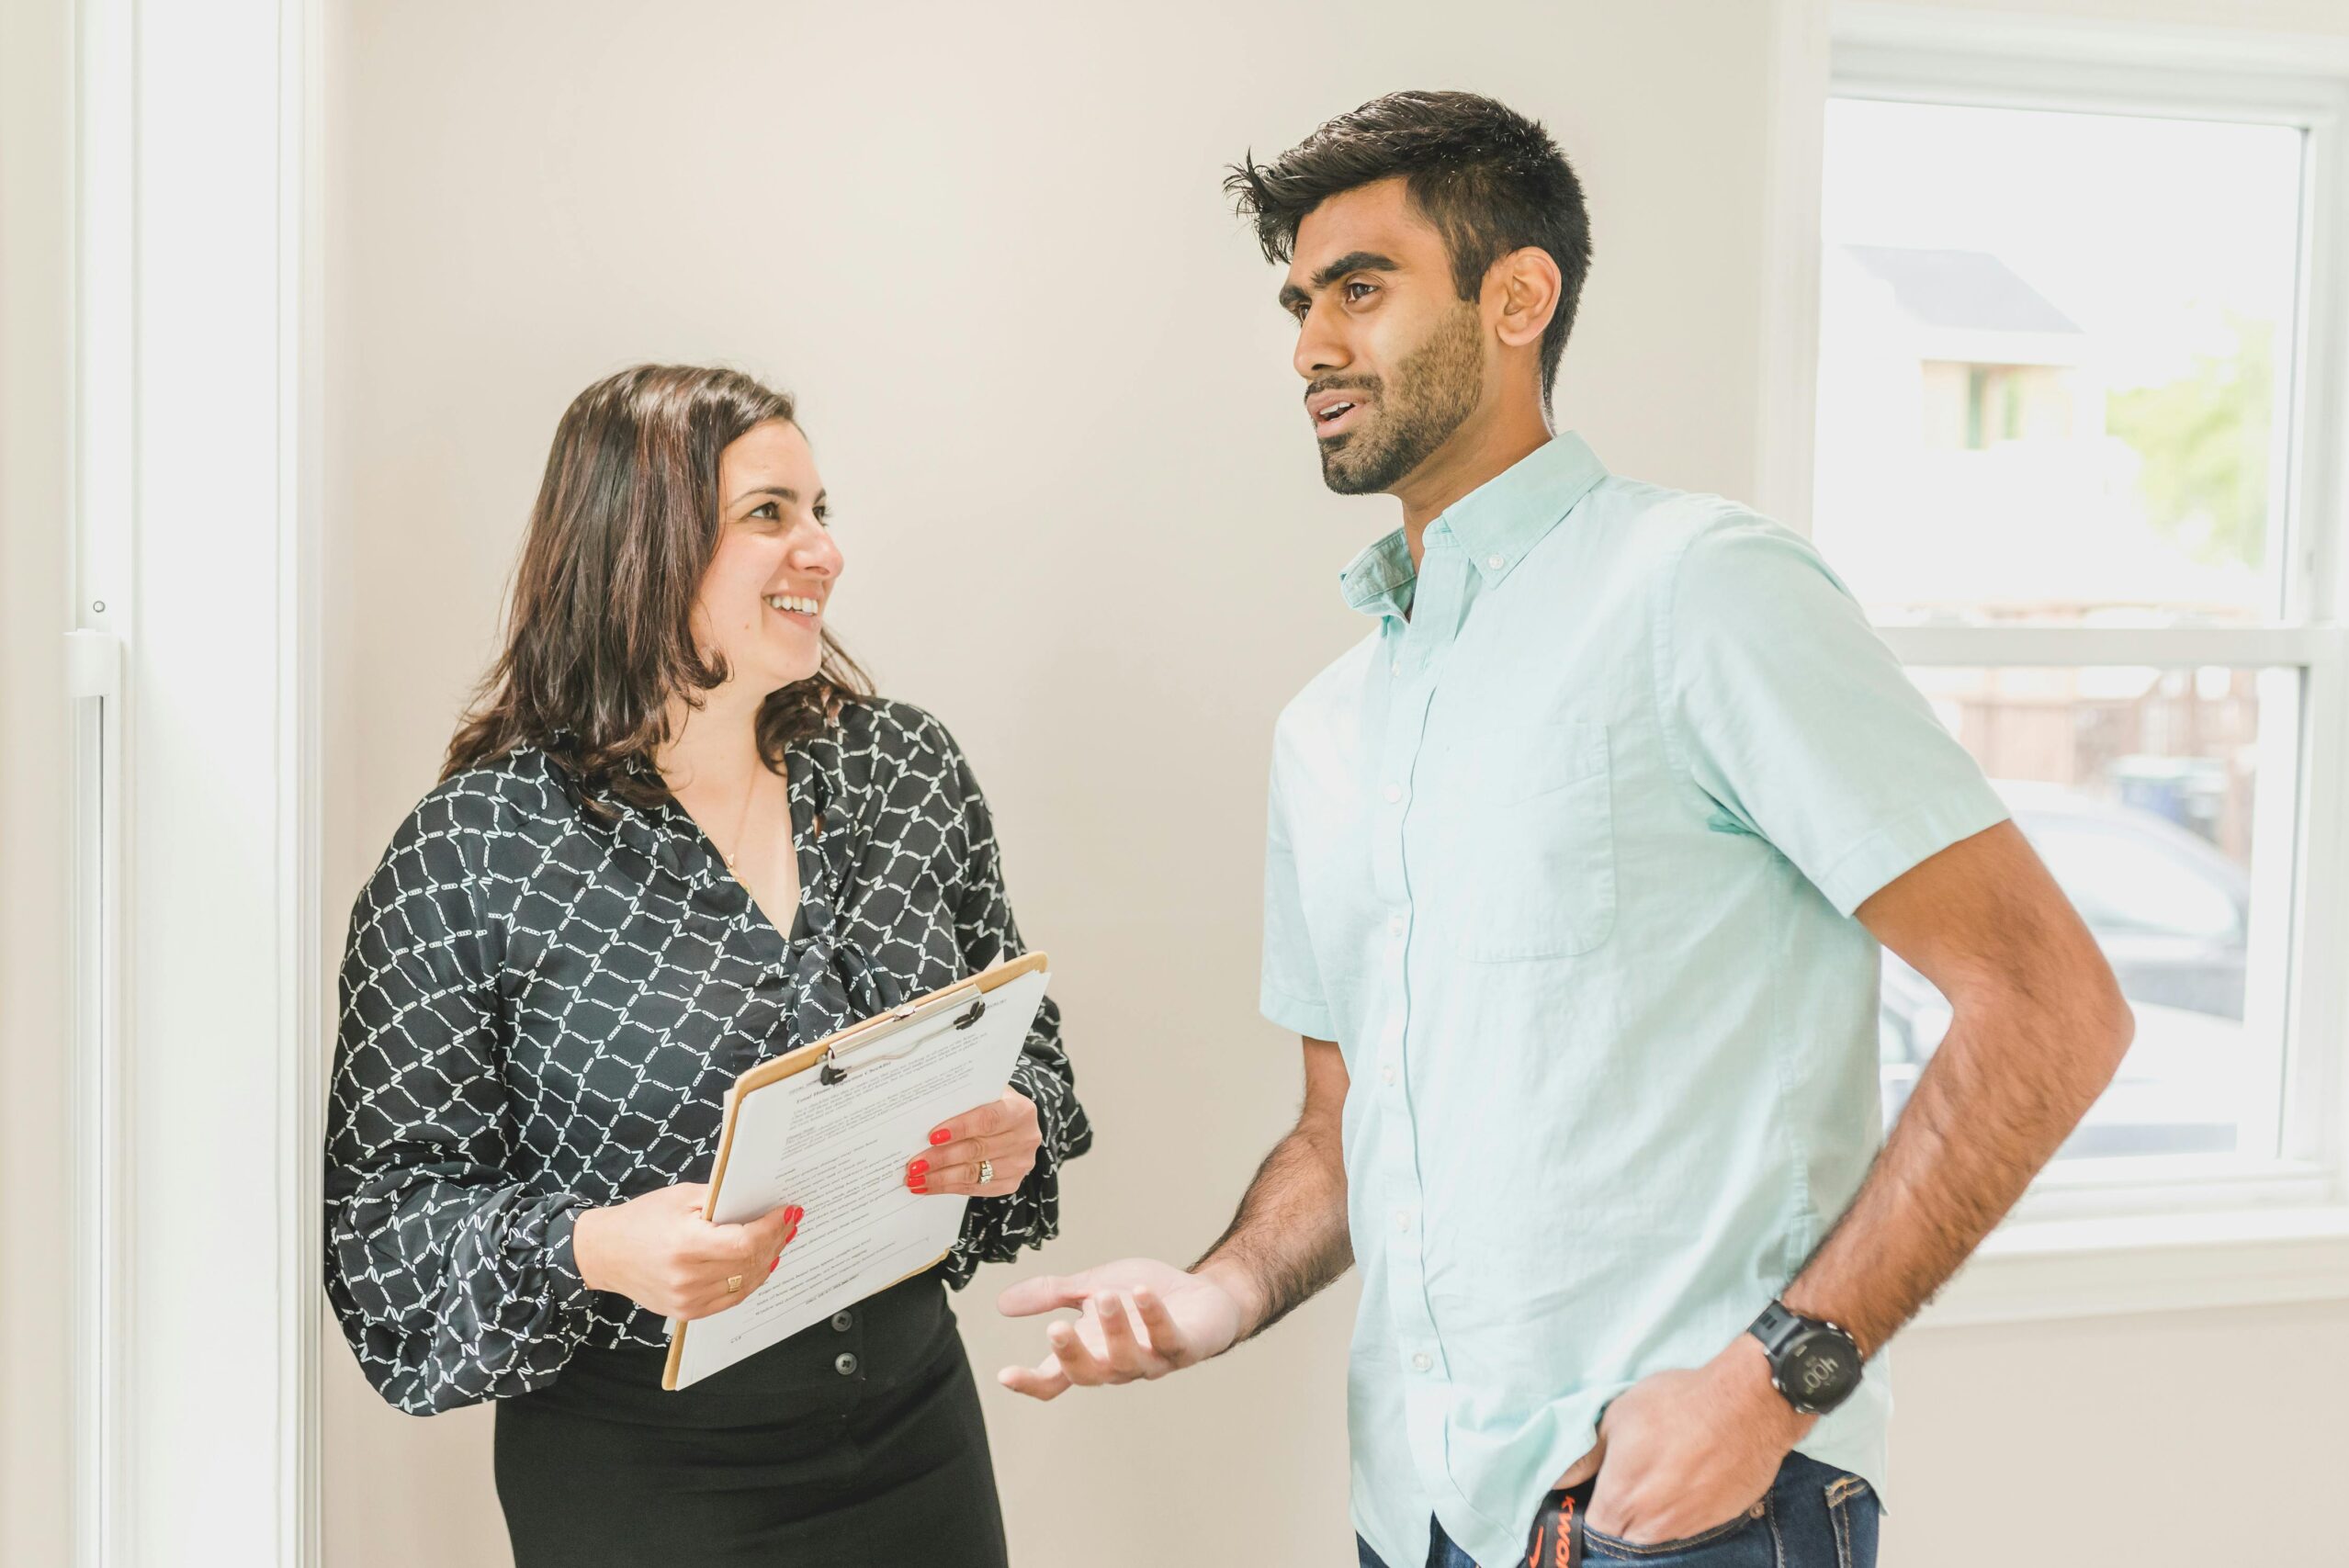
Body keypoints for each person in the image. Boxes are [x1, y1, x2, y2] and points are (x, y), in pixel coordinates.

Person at [998, 92, 2130, 1568]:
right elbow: (1350, 1131)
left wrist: (1776, 1382)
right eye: (1298, 303)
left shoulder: (1702, 593)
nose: (1310, 347)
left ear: (1518, 296)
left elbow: (2051, 1008)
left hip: (1693, 1510)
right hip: (1417, 1516)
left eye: (1361, 287)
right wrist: (1215, 1295)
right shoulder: (1331, 729)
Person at [324, 364, 1090, 1568]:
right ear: (640, 546)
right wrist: (595, 1249)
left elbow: (1024, 1036)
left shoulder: (903, 773)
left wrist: (1014, 1121)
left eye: (822, 511)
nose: (824, 552)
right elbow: (381, 1236)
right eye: (770, 515)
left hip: (917, 1435)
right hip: (645, 1482)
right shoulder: (473, 853)